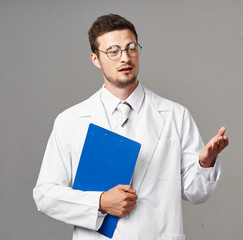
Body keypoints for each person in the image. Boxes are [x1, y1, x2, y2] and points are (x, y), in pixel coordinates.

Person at [33, 13, 229, 240]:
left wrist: (205, 163)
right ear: (95, 59)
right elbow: (45, 194)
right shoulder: (71, 121)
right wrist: (100, 202)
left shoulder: (175, 115)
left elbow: (197, 193)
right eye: (113, 51)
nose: (125, 58)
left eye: (131, 48)